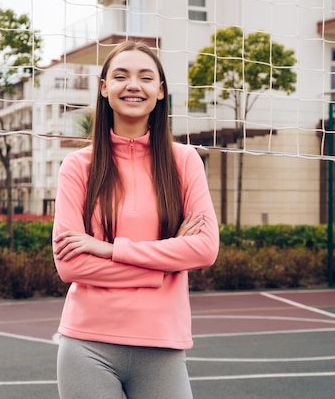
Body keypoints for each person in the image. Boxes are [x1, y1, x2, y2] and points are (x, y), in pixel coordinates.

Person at [52, 41, 220, 399]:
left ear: (160, 91)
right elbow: (70, 266)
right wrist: (166, 264)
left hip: (162, 345)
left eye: (146, 77)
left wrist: (109, 249)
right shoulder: (77, 166)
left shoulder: (185, 161)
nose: (133, 85)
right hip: (87, 345)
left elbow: (204, 249)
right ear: (103, 87)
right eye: (120, 76)